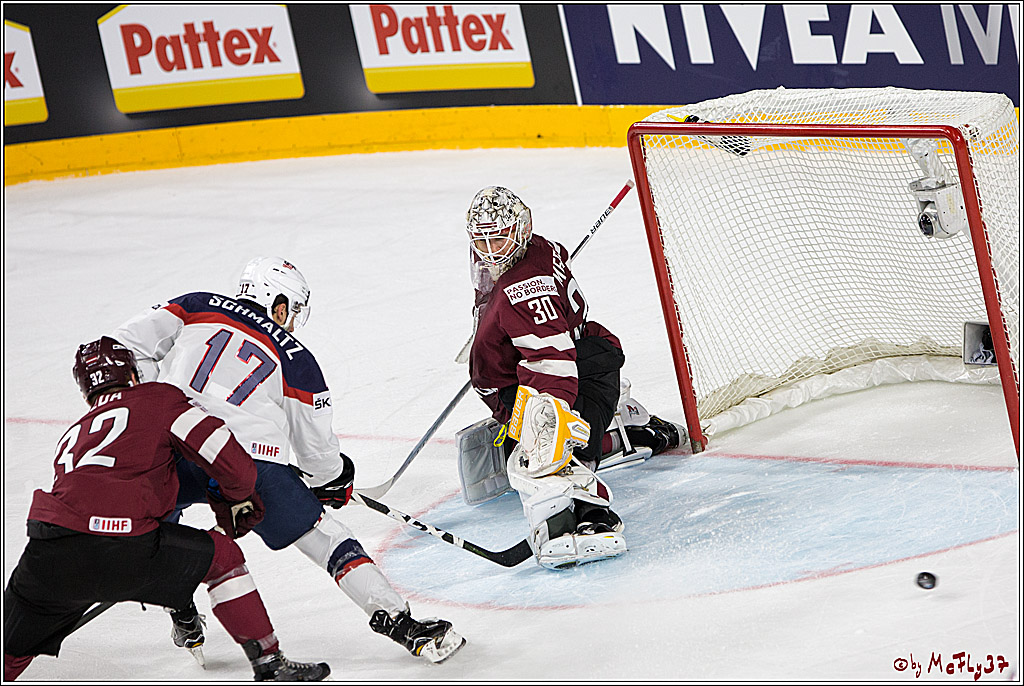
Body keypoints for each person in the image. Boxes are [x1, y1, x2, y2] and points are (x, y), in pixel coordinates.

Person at [111, 257, 465, 664]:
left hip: (177, 441)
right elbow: (318, 454)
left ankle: (179, 607)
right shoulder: (296, 356)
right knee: (326, 538)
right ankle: (402, 624)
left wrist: (156, 405)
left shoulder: (197, 303)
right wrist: (331, 479)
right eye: (292, 312)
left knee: (157, 520)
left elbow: (122, 348)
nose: (292, 323)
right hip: (248, 461)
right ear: (279, 305)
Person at [3, 336, 330, 681]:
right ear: (132, 374)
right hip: (129, 547)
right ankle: (269, 664)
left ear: (85, 391)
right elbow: (232, 463)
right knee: (223, 557)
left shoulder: (75, 432)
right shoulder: (159, 399)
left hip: (48, 551)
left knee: (9, 651)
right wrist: (236, 498)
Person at [464, 186, 682, 570]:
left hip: (566, 373)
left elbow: (553, 361)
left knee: (555, 451)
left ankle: (587, 510)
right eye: (481, 240)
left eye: (498, 238)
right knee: (558, 429)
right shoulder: (542, 248)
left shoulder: (522, 291)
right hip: (569, 359)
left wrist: (550, 417)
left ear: (522, 229)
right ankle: (618, 429)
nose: (489, 250)